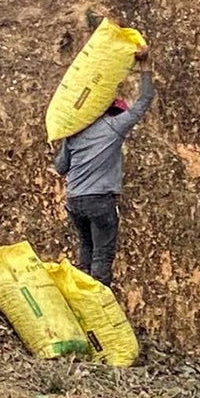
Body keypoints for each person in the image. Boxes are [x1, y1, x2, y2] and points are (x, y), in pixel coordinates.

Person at [52, 47, 154, 287]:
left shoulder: (74, 131)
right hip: (99, 200)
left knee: (86, 248)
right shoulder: (114, 127)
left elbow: (61, 166)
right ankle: (99, 303)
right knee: (102, 255)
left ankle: (82, 298)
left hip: (74, 199)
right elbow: (145, 99)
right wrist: (145, 66)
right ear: (112, 113)